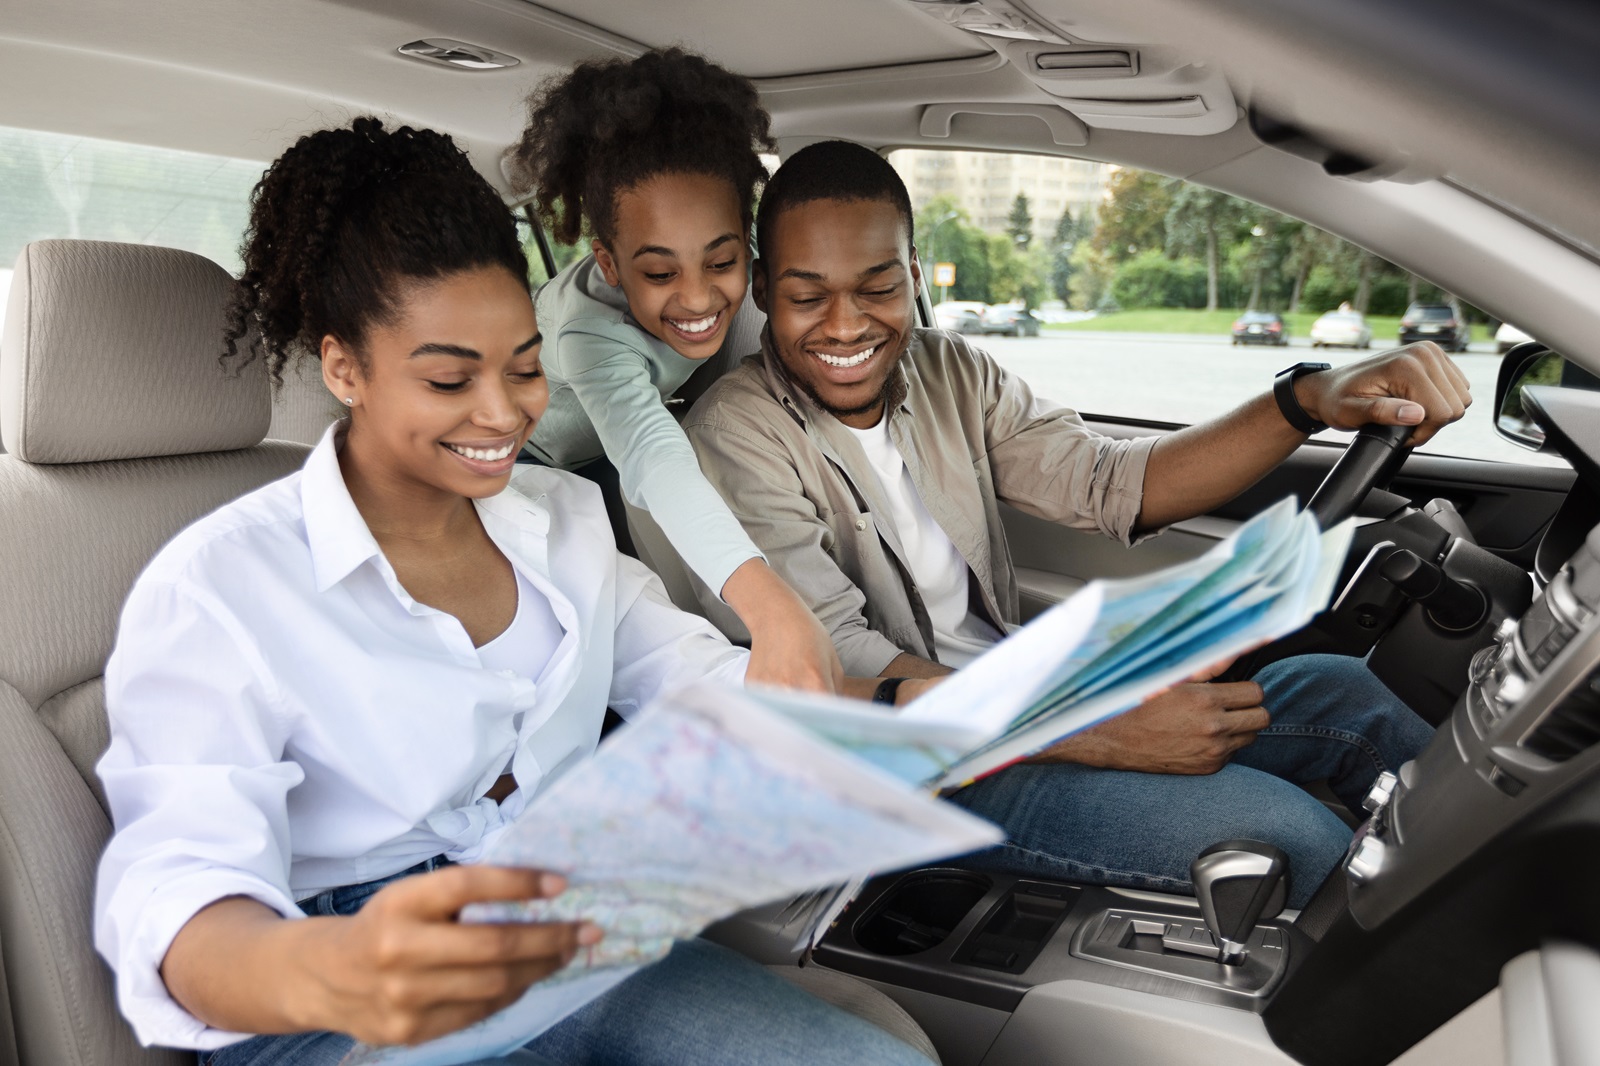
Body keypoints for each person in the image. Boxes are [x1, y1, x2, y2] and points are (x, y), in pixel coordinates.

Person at [92, 119, 935, 1066]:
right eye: (451, 378)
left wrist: (890, 713)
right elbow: (181, 895)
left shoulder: (564, 519)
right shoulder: (221, 586)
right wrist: (339, 960)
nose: (502, 414)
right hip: (340, 995)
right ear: (344, 368)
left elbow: (711, 683)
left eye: (526, 366)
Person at [683, 140, 1465, 907]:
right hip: (915, 772)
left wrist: (1309, 400)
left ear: (913, 275)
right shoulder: (735, 435)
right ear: (761, 289)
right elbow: (839, 671)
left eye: (878, 287)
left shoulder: (949, 369)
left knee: (1348, 695)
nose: (846, 325)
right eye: (807, 294)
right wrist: (1095, 725)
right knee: (1295, 840)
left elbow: (1110, 482)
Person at [507, 48, 843, 696]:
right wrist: (771, 605)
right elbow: (652, 454)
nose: (696, 299)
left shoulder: (744, 271)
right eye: (659, 274)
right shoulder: (587, 330)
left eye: (720, 263)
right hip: (543, 467)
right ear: (608, 264)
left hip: (624, 449)